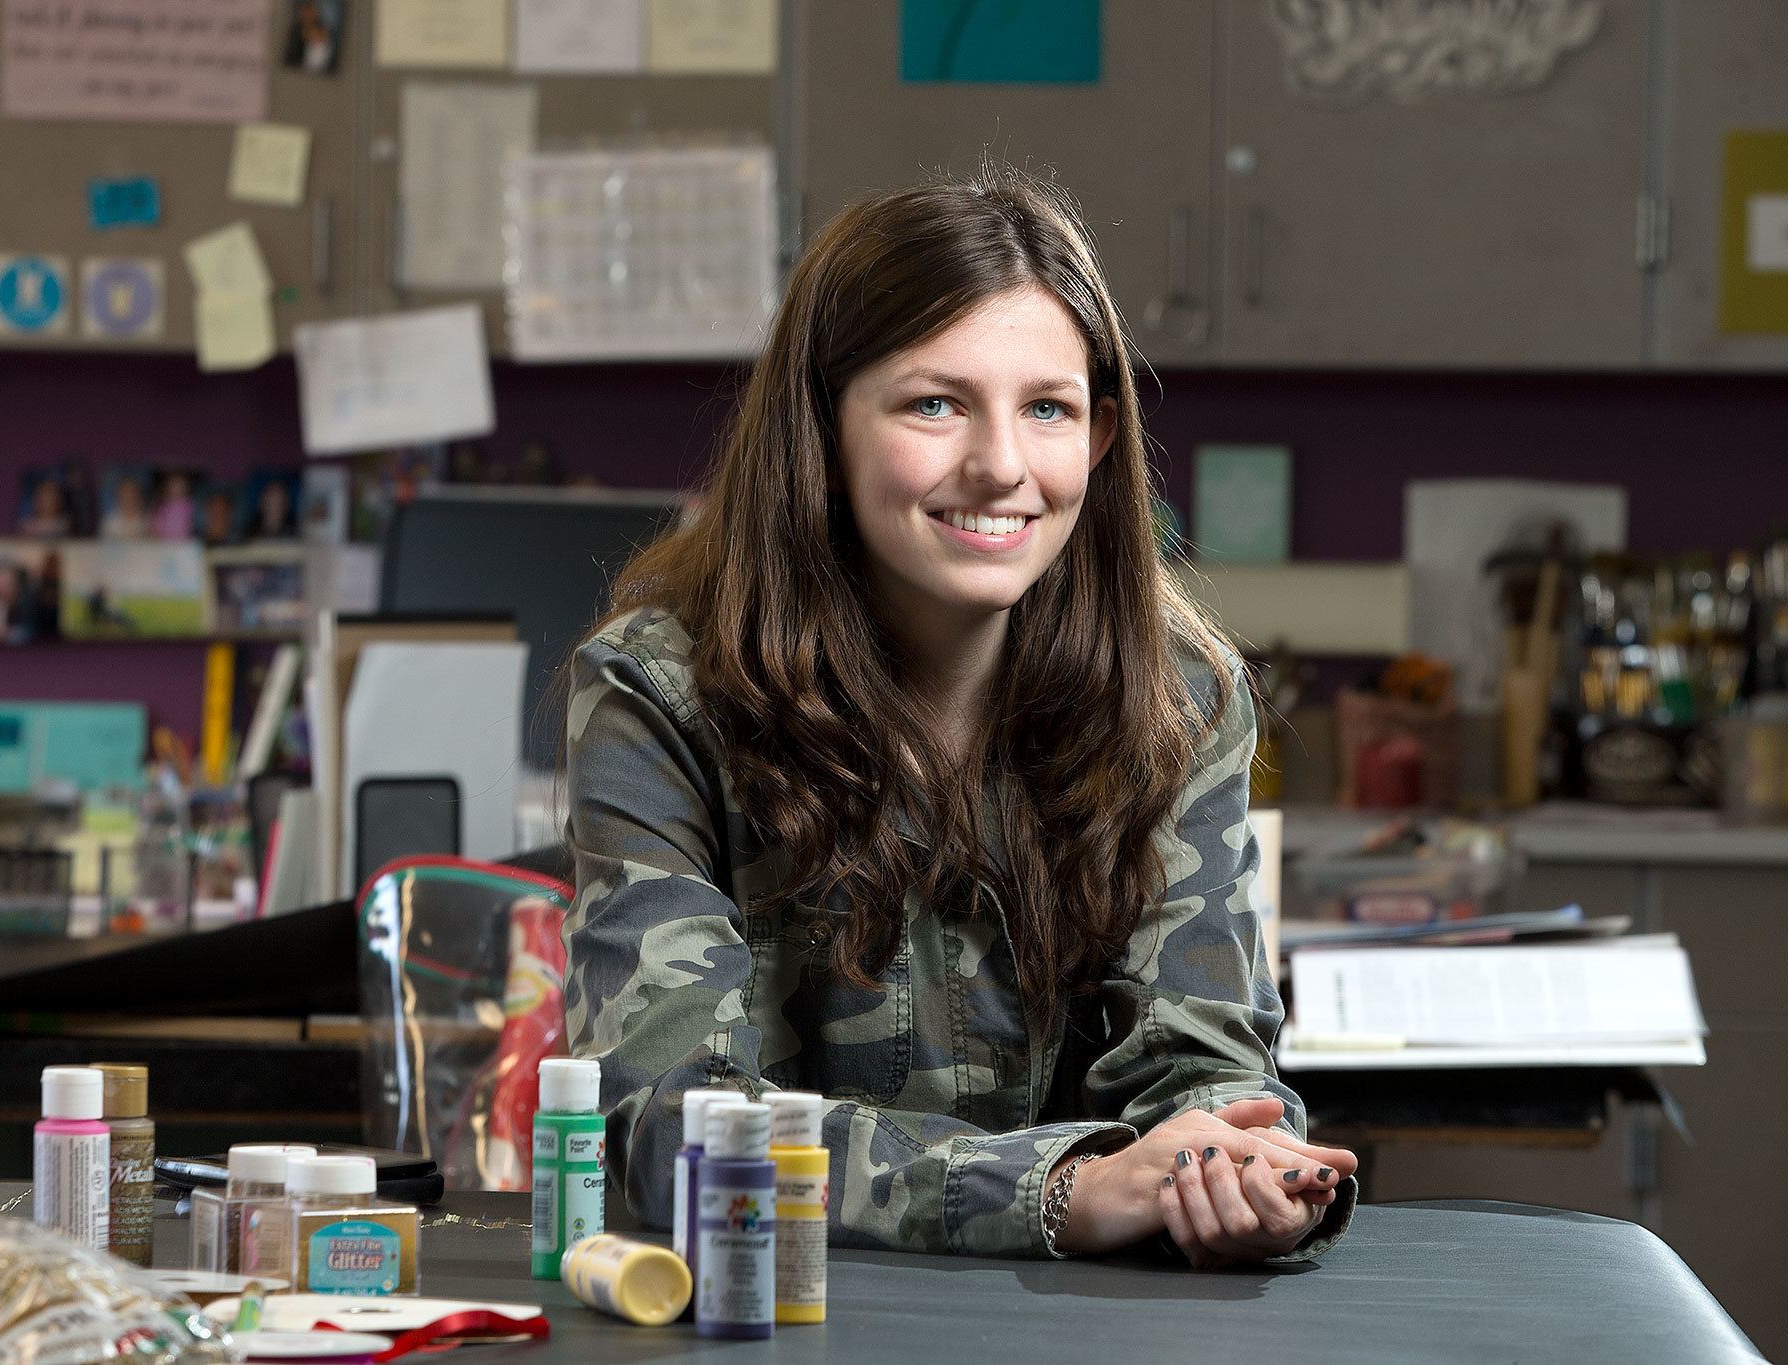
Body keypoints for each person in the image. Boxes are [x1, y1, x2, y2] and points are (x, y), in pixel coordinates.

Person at [561, 166, 1360, 1268]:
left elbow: (1204, 1060)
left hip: (1094, 1333)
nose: (999, 467)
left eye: (1047, 409)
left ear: (1101, 440)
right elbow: (669, 1128)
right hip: (782, 1316)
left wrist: (1224, 1164)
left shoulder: (1182, 695)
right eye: (933, 404)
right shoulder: (659, 697)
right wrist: (1059, 1191)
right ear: (821, 434)